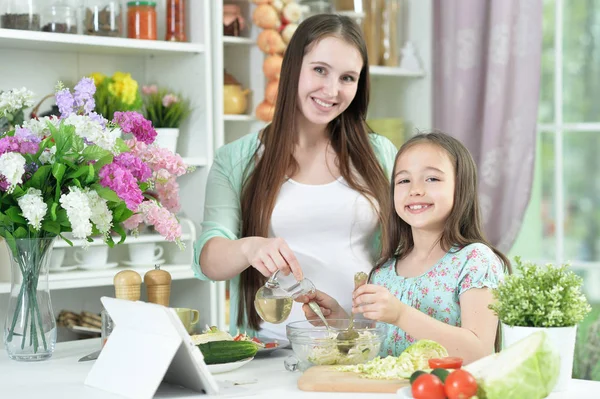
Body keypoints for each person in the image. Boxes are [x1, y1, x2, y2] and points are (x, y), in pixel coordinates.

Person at [193, 14, 398, 339]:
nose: (332, 90)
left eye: (347, 78)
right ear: (292, 69)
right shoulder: (236, 159)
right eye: (320, 70)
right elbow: (209, 259)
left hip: (362, 346)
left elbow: (412, 249)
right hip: (271, 351)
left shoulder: (380, 154)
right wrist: (249, 249)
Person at [302, 132, 511, 364]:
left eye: (431, 179)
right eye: (403, 180)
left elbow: (479, 352)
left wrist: (401, 315)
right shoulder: (383, 272)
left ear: (461, 187)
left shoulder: (475, 261)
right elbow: (366, 346)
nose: (415, 190)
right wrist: (336, 319)